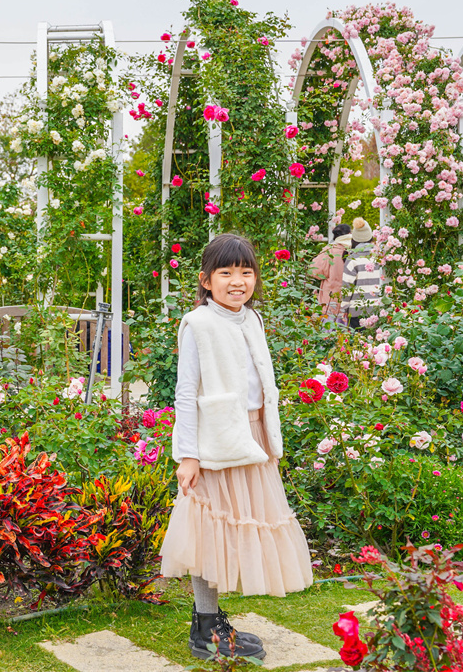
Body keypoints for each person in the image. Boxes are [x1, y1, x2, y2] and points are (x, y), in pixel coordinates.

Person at [159, 233, 314, 661]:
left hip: (254, 438)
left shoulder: (251, 319)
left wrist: (269, 437)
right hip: (216, 440)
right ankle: (206, 627)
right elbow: (186, 393)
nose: (237, 281)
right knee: (208, 528)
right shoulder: (198, 324)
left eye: (246, 272)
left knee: (233, 526)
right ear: (206, 281)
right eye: (226, 273)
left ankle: (211, 622)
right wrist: (188, 455)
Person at [342, 217, 383, 329]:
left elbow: (346, 288)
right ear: (370, 237)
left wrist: (344, 308)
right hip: (378, 310)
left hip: (357, 311)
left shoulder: (352, 260)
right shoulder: (380, 258)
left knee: (358, 343)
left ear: (354, 239)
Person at [311, 223, 353, 320]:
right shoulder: (356, 249)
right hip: (351, 300)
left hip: (331, 299)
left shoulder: (330, 251)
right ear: (350, 233)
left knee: (330, 331)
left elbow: (314, 270)